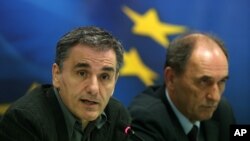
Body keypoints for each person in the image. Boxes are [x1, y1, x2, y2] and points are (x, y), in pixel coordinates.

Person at [0, 26, 131, 141]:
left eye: (104, 76)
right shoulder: (25, 121)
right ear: (57, 74)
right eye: (82, 73)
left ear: (115, 80)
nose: (93, 88)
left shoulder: (117, 116)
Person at [128, 32, 236, 141]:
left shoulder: (222, 111)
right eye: (204, 81)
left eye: (222, 81)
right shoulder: (144, 119)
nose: (215, 97)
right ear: (171, 78)